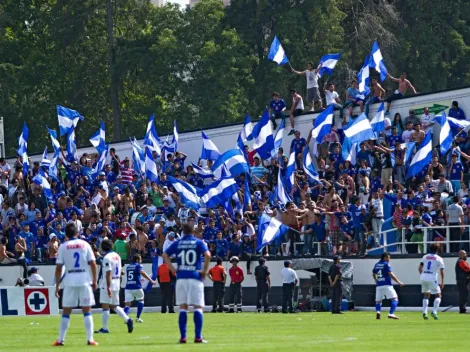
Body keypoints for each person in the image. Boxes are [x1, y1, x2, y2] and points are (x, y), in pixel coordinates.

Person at [162, 222, 211, 344]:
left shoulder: (178, 243)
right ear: (193, 231)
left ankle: (183, 337)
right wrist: (204, 271)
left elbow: (164, 254)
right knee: (198, 308)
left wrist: (173, 269)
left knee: (183, 308)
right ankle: (198, 337)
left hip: (181, 277)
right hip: (195, 276)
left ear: (183, 231)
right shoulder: (198, 242)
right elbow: (208, 255)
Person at [52, 223, 98, 346]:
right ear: (77, 232)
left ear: (66, 234)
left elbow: (58, 268)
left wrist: (57, 286)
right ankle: (90, 339)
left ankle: (60, 340)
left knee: (66, 311)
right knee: (87, 310)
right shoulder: (85, 244)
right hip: (84, 279)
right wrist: (95, 280)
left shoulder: (63, 246)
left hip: (69, 281)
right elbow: (93, 263)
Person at [95, 239, 134, 334]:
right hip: (117, 283)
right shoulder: (117, 256)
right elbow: (120, 271)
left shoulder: (107, 257)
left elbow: (108, 273)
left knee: (105, 306)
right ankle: (127, 319)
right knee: (114, 306)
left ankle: (105, 328)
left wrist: (108, 287)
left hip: (109, 283)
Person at [123, 254, 156, 323]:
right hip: (136, 287)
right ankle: (138, 318)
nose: (141, 261)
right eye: (140, 259)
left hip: (128, 287)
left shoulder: (128, 266)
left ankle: (126, 319)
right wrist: (151, 280)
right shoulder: (138, 265)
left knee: (127, 304)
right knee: (141, 300)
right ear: (137, 260)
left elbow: (133, 275)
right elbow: (142, 272)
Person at [372, 252, 404, 320]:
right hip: (387, 284)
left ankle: (378, 311)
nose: (389, 259)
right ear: (384, 257)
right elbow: (391, 274)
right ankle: (391, 313)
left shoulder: (377, 264)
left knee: (378, 301)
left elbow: (374, 273)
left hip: (379, 285)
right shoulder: (386, 264)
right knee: (395, 299)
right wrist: (399, 282)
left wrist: (376, 280)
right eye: (388, 257)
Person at [419, 243, 445, 320]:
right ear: (438, 249)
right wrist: (442, 281)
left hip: (423, 276)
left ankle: (424, 313)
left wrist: (422, 275)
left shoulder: (425, 256)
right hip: (432, 276)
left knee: (426, 295)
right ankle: (434, 312)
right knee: (438, 295)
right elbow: (442, 271)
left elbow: (420, 267)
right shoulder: (439, 258)